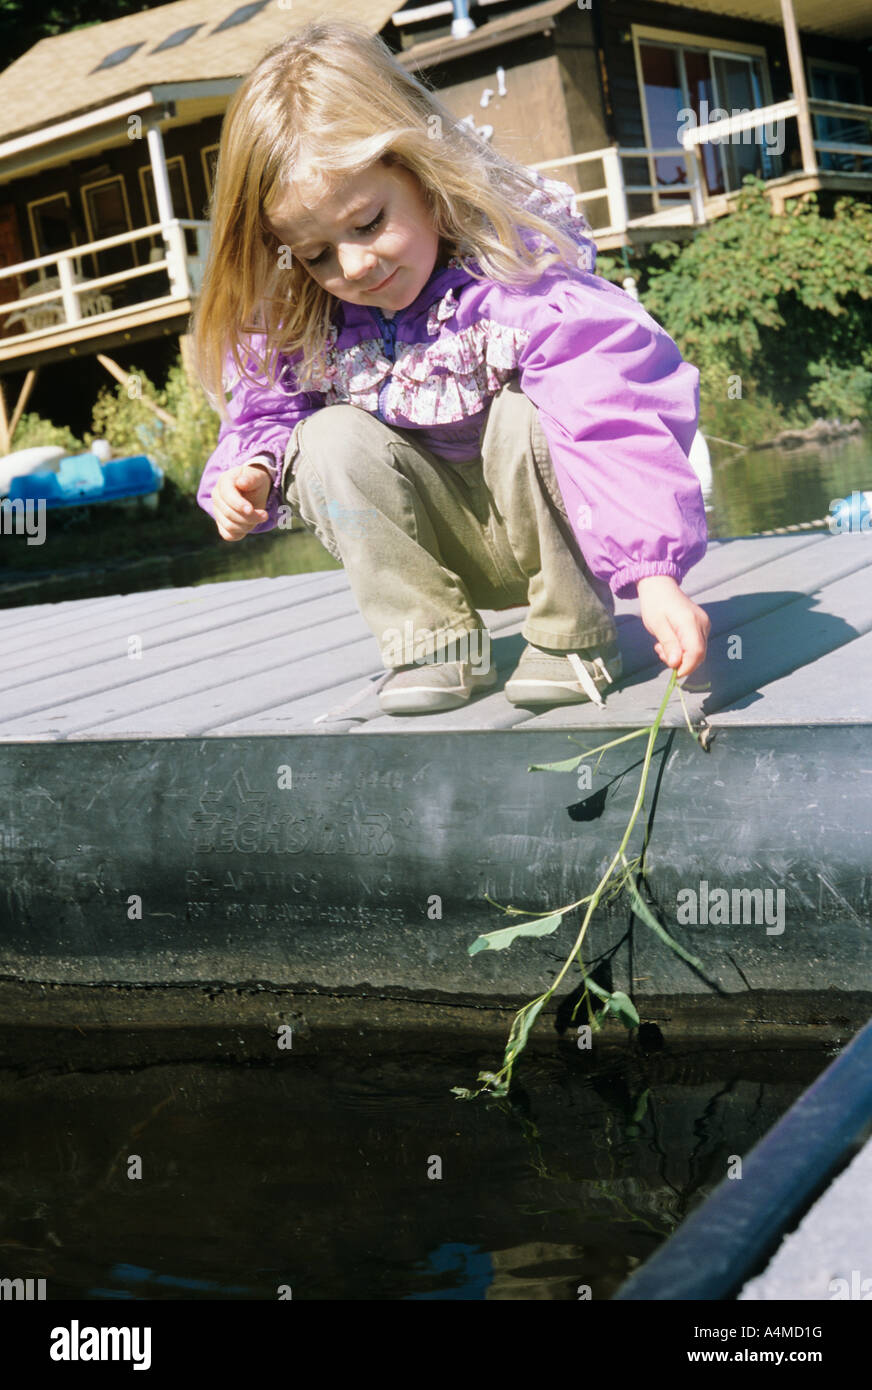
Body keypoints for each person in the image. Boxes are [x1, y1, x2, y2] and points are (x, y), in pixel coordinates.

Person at [194, 19, 710, 717]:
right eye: (315, 254)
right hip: (437, 541)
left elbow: (606, 406)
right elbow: (271, 412)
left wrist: (653, 571)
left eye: (369, 223)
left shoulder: (519, 283)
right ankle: (432, 643)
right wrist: (250, 470)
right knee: (324, 438)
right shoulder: (313, 320)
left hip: (561, 532)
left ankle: (572, 635)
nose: (352, 267)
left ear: (422, 173)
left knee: (523, 412)